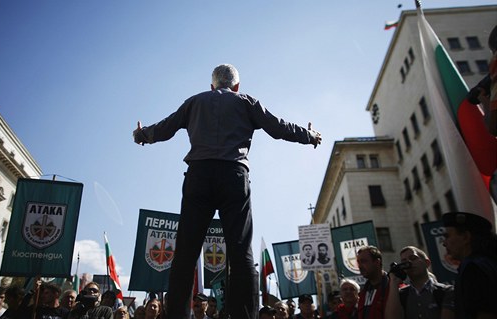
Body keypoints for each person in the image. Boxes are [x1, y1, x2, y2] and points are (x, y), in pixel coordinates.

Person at [133, 63, 322, 319]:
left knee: (186, 253)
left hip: (198, 176)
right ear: (237, 86)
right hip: (234, 176)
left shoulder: (194, 102)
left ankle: (177, 314)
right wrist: (308, 135)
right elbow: (278, 127)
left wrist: (143, 134)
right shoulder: (246, 102)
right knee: (241, 252)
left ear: (212, 86)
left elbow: (165, 128)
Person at [442, 211, 497, 319]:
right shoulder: (487, 263)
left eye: (447, 236)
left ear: (466, 237)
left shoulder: (473, 269)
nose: (444, 243)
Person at [385, 246, 454, 319]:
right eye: (404, 262)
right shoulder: (400, 295)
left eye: (413, 258)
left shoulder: (446, 291)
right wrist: (393, 282)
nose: (409, 263)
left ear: (427, 263)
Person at [356, 245, 389, 319]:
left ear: (377, 262)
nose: (360, 266)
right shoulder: (363, 293)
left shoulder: (392, 288)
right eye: (358, 262)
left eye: (364, 261)